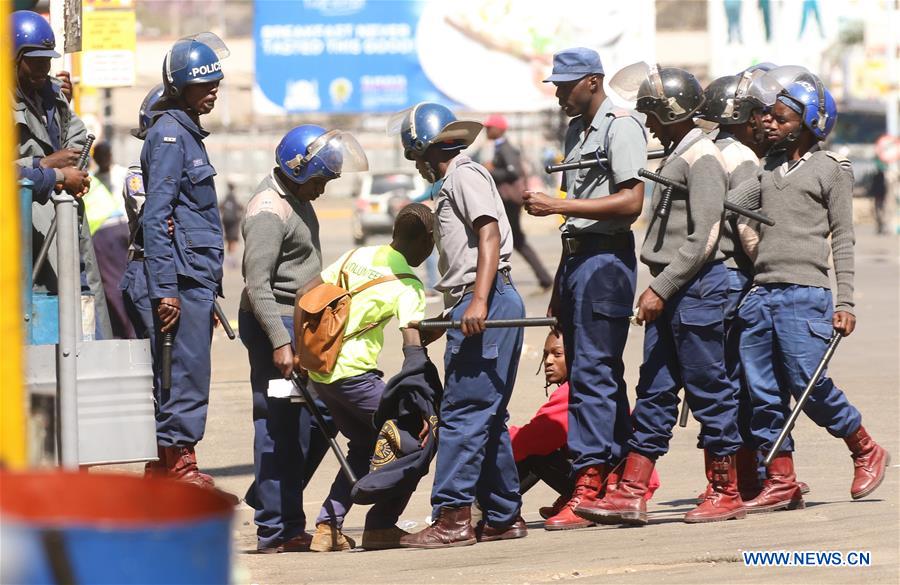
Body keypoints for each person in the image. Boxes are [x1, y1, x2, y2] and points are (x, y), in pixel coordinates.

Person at [576, 64, 744, 526]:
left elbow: (705, 235)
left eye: (652, 113)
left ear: (671, 113)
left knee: (710, 390)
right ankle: (631, 490)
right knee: (654, 389)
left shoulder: (702, 156)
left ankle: (725, 490)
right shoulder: (680, 153)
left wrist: (661, 288)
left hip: (696, 288)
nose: (647, 124)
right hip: (674, 289)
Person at [730, 74, 889, 511]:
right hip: (762, 294)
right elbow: (728, 203)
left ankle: (864, 447)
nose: (771, 124)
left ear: (808, 123)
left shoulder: (831, 170)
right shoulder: (766, 169)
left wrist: (846, 301)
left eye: (780, 119)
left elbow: (842, 237)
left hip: (806, 295)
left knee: (809, 386)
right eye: (769, 117)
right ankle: (781, 479)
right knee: (762, 391)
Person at [390, 103, 527, 548]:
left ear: (426, 151)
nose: (418, 166)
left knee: (463, 415)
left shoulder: (463, 176)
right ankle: (504, 515)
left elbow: (488, 235)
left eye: (417, 157)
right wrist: (450, 315)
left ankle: (452, 519)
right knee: (487, 415)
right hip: (481, 300)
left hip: (487, 300)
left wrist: (479, 301)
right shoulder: (461, 177)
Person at [521, 48, 647, 530]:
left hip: (606, 261)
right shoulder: (577, 131)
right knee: (599, 377)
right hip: (578, 261)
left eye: (564, 85)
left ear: (592, 82)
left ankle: (588, 481)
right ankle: (612, 480)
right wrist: (559, 283)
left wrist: (557, 207)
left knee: (592, 375)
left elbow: (631, 201)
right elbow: (575, 214)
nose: (557, 94)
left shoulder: (622, 125)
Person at [239, 124, 367, 553]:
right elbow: (257, 284)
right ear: (296, 171)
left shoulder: (295, 197)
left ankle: (273, 500)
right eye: (319, 181)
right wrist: (280, 342)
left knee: (318, 419)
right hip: (272, 325)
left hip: (302, 324)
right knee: (276, 426)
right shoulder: (267, 211)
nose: (323, 190)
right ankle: (276, 529)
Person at [297, 203, 434, 552]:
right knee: (418, 441)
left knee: (362, 446)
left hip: (323, 373)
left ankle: (329, 525)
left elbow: (307, 293)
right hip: (355, 376)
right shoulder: (408, 285)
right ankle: (381, 526)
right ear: (426, 242)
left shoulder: (357, 255)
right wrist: (419, 404)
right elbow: (412, 347)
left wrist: (302, 351)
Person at [140, 32, 231, 491]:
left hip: (193, 277)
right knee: (185, 376)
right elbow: (156, 216)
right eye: (202, 84)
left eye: (215, 81)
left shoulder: (188, 133)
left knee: (179, 374)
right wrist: (166, 288)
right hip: (179, 278)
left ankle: (162, 466)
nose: (212, 89)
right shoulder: (172, 134)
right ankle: (179, 465)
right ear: (179, 87)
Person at [12, 9, 112, 339]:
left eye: (47, 60)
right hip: (27, 243)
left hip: (68, 227)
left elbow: (78, 135)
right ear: (13, 59)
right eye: (35, 61)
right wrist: (50, 169)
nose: (44, 68)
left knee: (86, 313)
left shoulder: (52, 96)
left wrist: (74, 167)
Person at [510, 330, 660, 520]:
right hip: (621, 480)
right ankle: (499, 505)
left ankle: (490, 506)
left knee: (533, 452)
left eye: (557, 354)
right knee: (536, 446)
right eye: (545, 354)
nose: (548, 361)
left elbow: (529, 440)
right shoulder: (587, 386)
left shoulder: (574, 392)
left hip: (612, 484)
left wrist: (487, 439)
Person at [483, 114, 553, 290]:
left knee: (503, 239)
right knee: (513, 240)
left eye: (489, 127)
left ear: (499, 129)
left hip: (510, 202)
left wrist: (490, 171)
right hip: (508, 201)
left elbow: (513, 172)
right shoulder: (500, 147)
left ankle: (494, 279)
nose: (486, 130)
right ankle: (543, 277)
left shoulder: (505, 148)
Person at [84, 142, 134, 339]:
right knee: (119, 281)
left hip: (110, 231)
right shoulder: (95, 178)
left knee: (114, 285)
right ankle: (127, 329)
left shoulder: (121, 174)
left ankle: (129, 332)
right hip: (115, 228)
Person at [220, 183, 243, 265]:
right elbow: (239, 207)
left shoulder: (226, 197)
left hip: (226, 220)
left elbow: (221, 206)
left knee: (229, 238)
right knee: (233, 238)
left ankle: (229, 257)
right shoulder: (234, 197)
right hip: (233, 221)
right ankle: (231, 258)